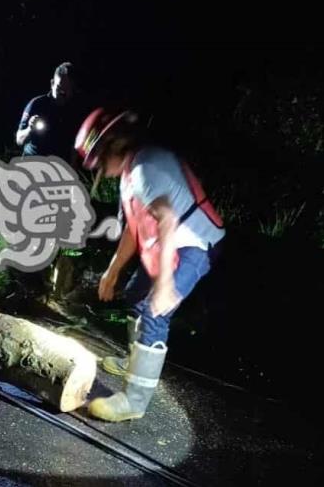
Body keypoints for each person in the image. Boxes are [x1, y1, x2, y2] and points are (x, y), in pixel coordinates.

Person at [74, 107, 226, 422]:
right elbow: (133, 229)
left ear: (113, 147)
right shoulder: (129, 176)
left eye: (98, 161)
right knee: (133, 295)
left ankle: (134, 401)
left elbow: (167, 218)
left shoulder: (144, 170)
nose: (99, 170)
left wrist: (165, 284)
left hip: (195, 243)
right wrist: (113, 270)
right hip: (169, 239)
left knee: (154, 311)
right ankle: (135, 358)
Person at [15, 62, 83, 162]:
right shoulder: (37, 104)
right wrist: (30, 129)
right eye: (59, 87)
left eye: (67, 89)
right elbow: (19, 140)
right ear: (52, 84)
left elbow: (74, 148)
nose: (62, 93)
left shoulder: (74, 111)